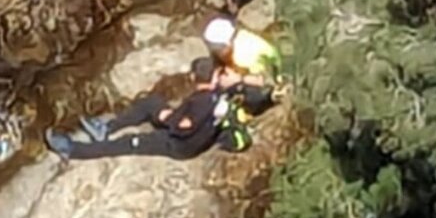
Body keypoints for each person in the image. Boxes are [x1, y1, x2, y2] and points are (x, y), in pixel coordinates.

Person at [44, 57, 269, 161]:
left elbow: (185, 126)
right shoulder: (220, 95)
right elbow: (256, 85)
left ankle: (72, 150)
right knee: (150, 102)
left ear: (193, 77)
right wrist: (243, 80)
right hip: (197, 130)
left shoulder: (201, 101)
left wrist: (168, 118)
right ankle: (107, 126)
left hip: (178, 145)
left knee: (128, 143)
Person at [203, 16, 281, 80]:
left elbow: (258, 78)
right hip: (277, 60)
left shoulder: (240, 58)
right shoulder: (244, 34)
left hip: (271, 74)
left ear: (226, 44)